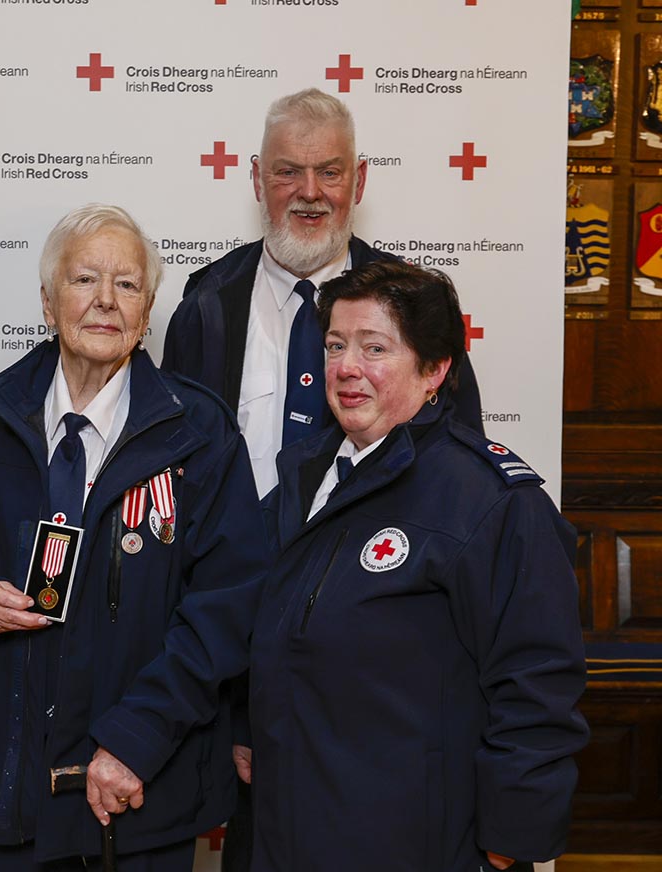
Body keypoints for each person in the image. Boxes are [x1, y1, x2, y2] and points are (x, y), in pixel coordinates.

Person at [152, 259, 587, 871]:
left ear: (435, 370)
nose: (347, 367)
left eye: (374, 347)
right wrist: (245, 718)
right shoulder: (302, 477)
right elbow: (260, 617)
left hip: (415, 842)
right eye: (335, 345)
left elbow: (538, 681)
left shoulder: (493, 503)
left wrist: (513, 832)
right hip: (288, 828)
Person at [162, 87, 484, 870]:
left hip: (386, 676)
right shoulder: (205, 306)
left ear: (361, 181)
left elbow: (461, 492)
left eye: (329, 172)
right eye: (288, 171)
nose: (309, 192)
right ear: (255, 179)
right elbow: (179, 501)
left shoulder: (418, 307)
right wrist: (236, 711)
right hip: (243, 655)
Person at [0, 204, 270, 870]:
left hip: (141, 787)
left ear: (148, 312)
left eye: (126, 285)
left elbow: (227, 609)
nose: (104, 301)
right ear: (47, 299)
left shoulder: (199, 435)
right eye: (84, 278)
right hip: (17, 788)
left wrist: (134, 740)